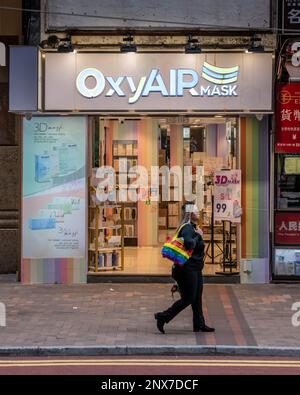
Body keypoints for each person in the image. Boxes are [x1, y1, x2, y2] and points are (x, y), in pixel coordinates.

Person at [154, 202, 215, 334]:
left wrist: (197, 233)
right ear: (189, 213)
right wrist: (198, 235)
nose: (198, 212)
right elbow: (189, 244)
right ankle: (163, 317)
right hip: (187, 269)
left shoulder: (193, 227)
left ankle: (199, 324)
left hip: (195, 268)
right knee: (189, 298)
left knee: (197, 297)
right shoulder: (187, 228)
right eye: (196, 210)